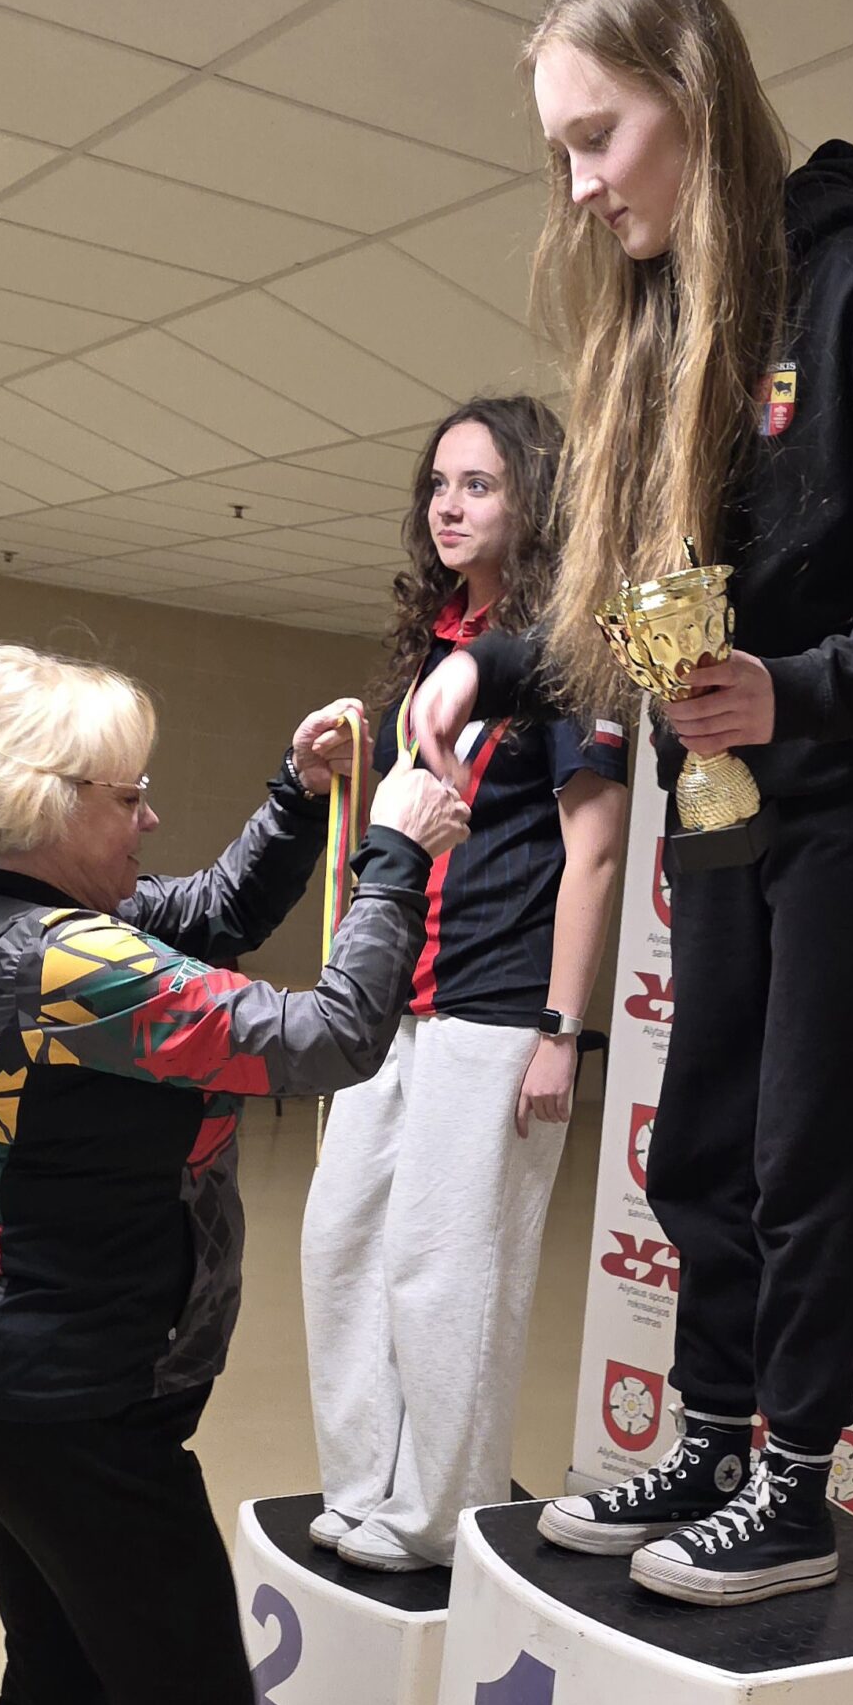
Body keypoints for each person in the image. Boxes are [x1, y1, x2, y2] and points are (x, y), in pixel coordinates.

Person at [415, 0, 853, 1608]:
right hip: (721, 802)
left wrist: (792, 692)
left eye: (595, 136)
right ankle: (703, 1436)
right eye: (560, 150)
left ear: (689, 97)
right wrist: (488, 665)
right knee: (697, 1138)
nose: (578, 183)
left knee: (805, 1147)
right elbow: (614, 601)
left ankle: (792, 1484)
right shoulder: (666, 329)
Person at [0, 643, 467, 1705]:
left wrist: (294, 801)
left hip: (15, 1388)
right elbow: (329, 1038)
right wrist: (394, 852)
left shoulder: (27, 935)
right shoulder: (65, 965)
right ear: (37, 805)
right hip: (83, 1404)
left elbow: (186, 921)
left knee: (59, 1682)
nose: (147, 819)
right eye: (126, 797)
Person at [301, 397, 627, 1575]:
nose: (448, 505)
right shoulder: (436, 648)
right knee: (341, 1241)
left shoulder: (573, 654)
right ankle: (364, 1487)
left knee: (449, 1273)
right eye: (438, 483)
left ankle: (443, 1514)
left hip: (496, 1007)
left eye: (478, 484)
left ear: (533, 498)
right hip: (396, 1001)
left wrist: (561, 1031)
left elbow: (595, 850)